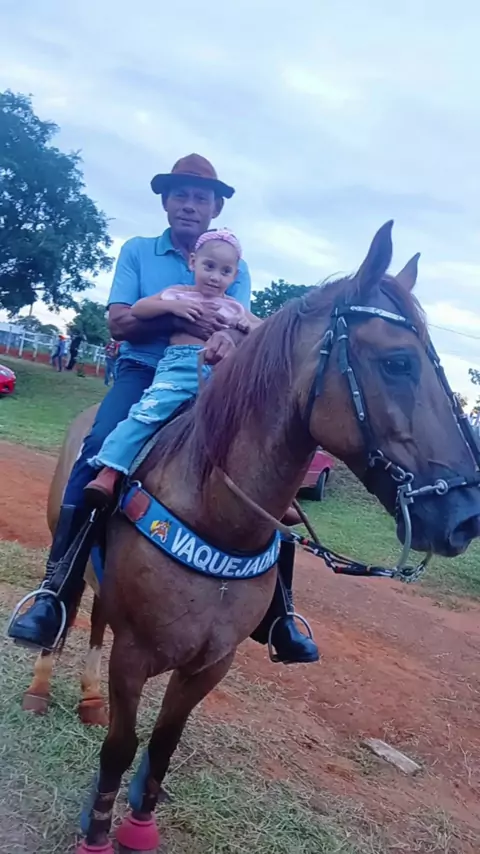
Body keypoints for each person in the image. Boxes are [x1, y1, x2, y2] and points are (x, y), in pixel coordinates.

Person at [8, 153, 319, 665]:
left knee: (267, 463)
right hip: (143, 368)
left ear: (215, 207)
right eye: (180, 195)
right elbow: (119, 323)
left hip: (213, 376)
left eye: (200, 197)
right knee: (97, 444)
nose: (189, 204)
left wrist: (228, 337)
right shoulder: (138, 252)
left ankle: (279, 613)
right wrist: (178, 313)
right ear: (166, 202)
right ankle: (55, 591)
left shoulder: (234, 263)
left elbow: (243, 329)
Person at [85, 228, 259, 502]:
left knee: (246, 425)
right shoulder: (179, 293)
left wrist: (246, 325)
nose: (215, 277)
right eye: (209, 267)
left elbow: (263, 327)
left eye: (225, 272)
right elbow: (139, 308)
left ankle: (256, 495)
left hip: (220, 374)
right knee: (149, 412)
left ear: (234, 276)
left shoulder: (235, 307)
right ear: (193, 263)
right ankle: (110, 469)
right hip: (180, 368)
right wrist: (172, 308)